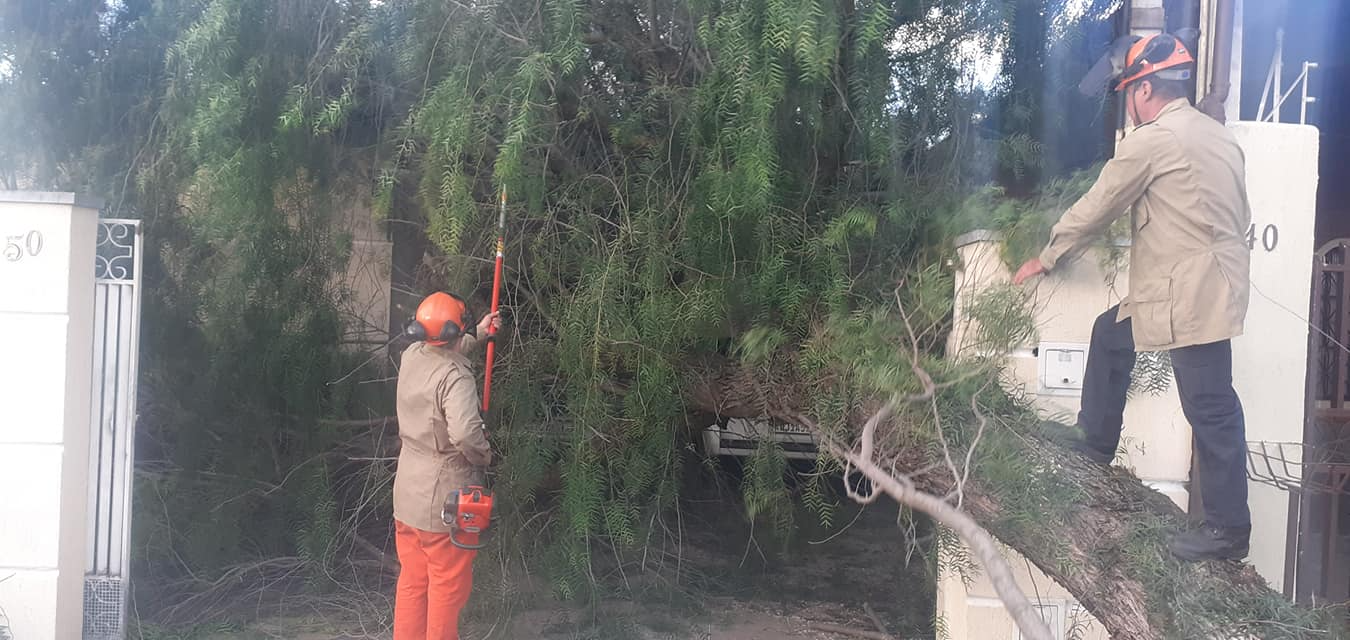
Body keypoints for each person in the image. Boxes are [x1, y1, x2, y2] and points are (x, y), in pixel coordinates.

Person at [1012, 33, 1252, 562]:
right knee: (1110, 334)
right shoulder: (1216, 136)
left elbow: (1100, 203)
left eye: (1129, 93)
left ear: (1146, 87)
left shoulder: (1154, 140)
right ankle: (1095, 444)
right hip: (1196, 284)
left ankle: (1227, 531)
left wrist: (1048, 256)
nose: (1129, 104)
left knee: (1210, 407)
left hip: (1192, 292)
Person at [393, 291, 501, 639]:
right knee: (446, 589)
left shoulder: (412, 355)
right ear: (457, 330)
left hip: (407, 497)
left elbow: (444, 355)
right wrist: (486, 455)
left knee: (413, 583)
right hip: (443, 501)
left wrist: (480, 335)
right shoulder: (456, 378)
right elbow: (467, 435)